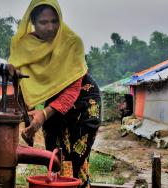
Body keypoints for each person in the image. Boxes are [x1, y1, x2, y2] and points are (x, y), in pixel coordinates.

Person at [8, 0, 101, 187]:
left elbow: (72, 90)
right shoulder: (24, 45)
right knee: (56, 157)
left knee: (76, 160)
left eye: (54, 21)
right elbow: (24, 83)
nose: (50, 27)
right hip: (54, 100)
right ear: (32, 21)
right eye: (43, 22)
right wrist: (29, 121)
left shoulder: (72, 42)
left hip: (83, 100)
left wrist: (44, 114)